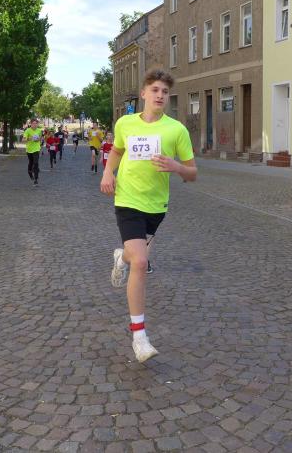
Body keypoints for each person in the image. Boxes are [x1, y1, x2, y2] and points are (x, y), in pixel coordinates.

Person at [101, 68, 197, 363]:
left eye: (165, 92)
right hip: (127, 199)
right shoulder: (125, 123)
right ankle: (139, 337)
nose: (160, 95)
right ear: (143, 93)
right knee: (142, 263)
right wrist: (108, 173)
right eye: (155, 90)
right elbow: (117, 151)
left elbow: (192, 173)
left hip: (156, 206)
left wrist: (176, 167)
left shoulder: (176, 130)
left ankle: (122, 257)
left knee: (135, 258)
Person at [23, 119, 43, 186]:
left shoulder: (39, 130)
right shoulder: (27, 130)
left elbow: (40, 138)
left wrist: (38, 139)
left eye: (36, 123)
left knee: (36, 163)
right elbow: (23, 139)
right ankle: (30, 173)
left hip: (36, 149)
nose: (35, 125)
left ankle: (36, 179)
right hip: (29, 149)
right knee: (31, 162)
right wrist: (30, 138)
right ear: (31, 124)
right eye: (33, 123)